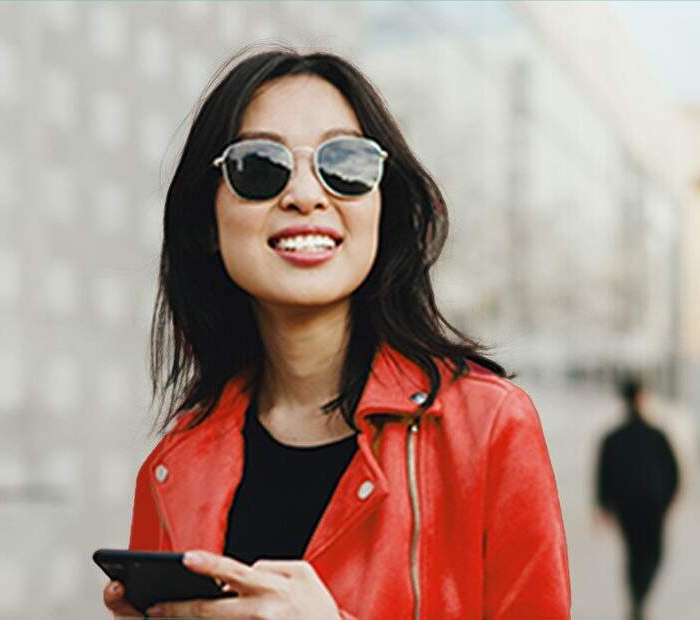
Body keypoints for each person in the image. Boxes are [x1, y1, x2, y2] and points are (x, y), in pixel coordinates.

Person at [100, 47, 572, 619]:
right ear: (207, 222)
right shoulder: (175, 465)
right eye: (260, 166)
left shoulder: (489, 428)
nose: (306, 195)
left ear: (382, 206)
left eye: (345, 164)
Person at [595, 376, 679, 620]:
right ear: (641, 398)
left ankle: (636, 601)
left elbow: (602, 474)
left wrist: (603, 505)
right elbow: (674, 472)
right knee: (654, 555)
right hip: (652, 506)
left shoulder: (611, 438)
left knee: (634, 554)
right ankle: (638, 600)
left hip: (627, 507)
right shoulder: (657, 435)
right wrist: (667, 501)